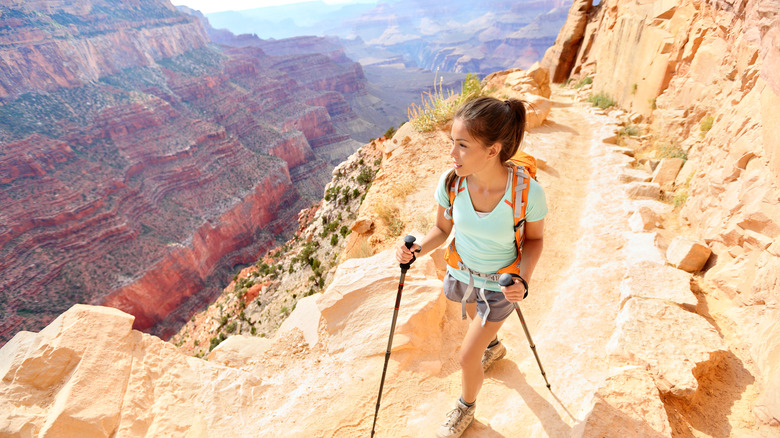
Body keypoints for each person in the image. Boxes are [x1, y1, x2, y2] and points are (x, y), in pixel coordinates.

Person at [395, 96, 547, 438]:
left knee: (466, 358)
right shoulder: (452, 182)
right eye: (452, 143)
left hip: (501, 286)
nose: (452, 154)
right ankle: (493, 344)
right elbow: (442, 230)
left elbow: (535, 241)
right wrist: (417, 249)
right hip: (463, 275)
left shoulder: (528, 193)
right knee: (479, 328)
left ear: (493, 150)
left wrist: (523, 277)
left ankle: (466, 407)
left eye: (462, 145)